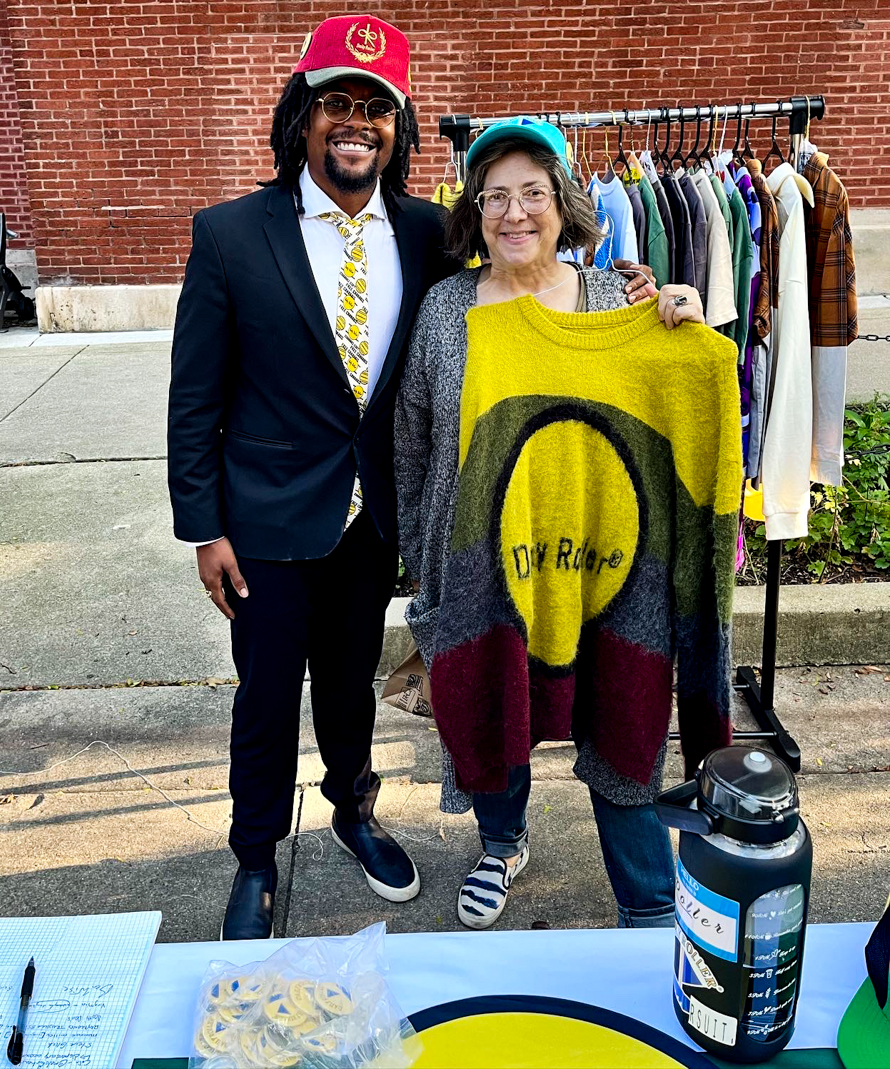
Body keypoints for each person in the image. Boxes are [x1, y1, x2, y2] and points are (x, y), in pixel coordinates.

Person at [169, 16, 659, 940]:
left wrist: (630, 289)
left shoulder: (431, 231)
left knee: (351, 684)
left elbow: (523, 294)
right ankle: (255, 857)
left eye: (376, 108)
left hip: (371, 522)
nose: (356, 124)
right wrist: (205, 527)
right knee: (267, 695)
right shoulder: (231, 234)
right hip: (265, 521)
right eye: (335, 106)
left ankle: (355, 811)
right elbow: (193, 395)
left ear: (395, 129)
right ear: (301, 120)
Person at [394, 117, 714, 932]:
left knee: (621, 714)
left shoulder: (615, 296)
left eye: (532, 192)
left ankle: (646, 895)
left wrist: (690, 319)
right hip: (482, 563)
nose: (514, 213)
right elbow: (414, 439)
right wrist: (422, 554)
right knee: (495, 707)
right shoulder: (445, 309)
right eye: (494, 195)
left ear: (563, 203)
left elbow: (673, 394)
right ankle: (502, 843)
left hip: (599, 564)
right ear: (473, 210)